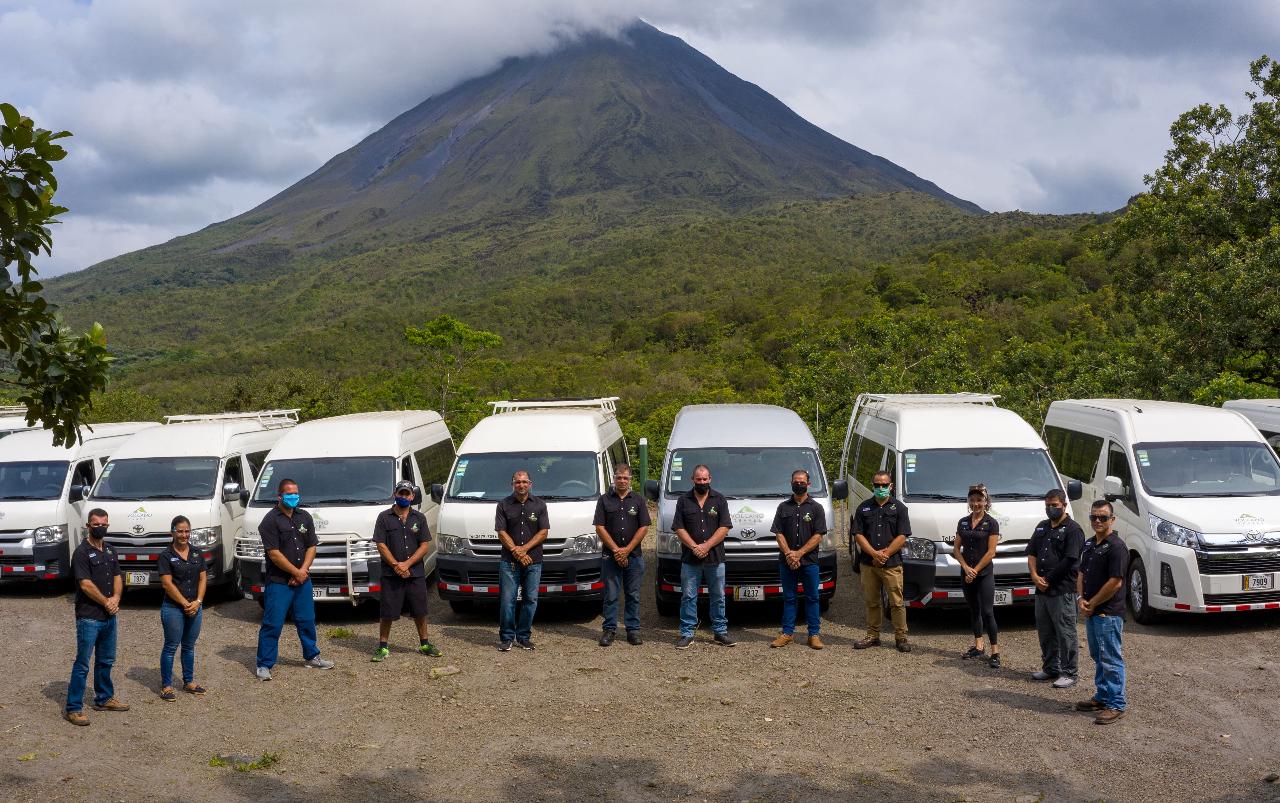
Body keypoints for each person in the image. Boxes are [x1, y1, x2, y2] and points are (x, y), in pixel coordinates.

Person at [254, 478, 334, 680]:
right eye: (289, 494)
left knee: (306, 619)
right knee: (273, 623)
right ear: (279, 496)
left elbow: (311, 546)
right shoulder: (270, 521)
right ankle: (264, 664)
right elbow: (273, 553)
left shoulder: (304, 516)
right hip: (280, 582)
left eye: (296, 493)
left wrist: (303, 571)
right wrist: (294, 572)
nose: (294, 497)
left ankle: (312, 656)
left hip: (302, 580)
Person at [64, 508, 128, 725]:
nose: (100, 527)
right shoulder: (81, 553)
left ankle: (104, 698)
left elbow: (118, 576)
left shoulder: (110, 550)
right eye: (96, 523)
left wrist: (116, 598)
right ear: (88, 526)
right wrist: (106, 602)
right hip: (89, 617)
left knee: (106, 660)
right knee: (83, 663)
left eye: (104, 524)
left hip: (109, 616)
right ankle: (73, 707)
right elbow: (85, 584)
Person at [370, 481, 442, 662]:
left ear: (412, 496)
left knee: (420, 610)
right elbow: (381, 544)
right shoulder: (384, 517)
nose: (403, 497)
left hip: (415, 574)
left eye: (407, 494)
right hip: (390, 574)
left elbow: (424, 545)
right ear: (395, 494)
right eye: (400, 493)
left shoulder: (419, 518)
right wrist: (396, 566)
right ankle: (383, 647)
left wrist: (407, 564)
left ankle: (425, 643)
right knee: (387, 612)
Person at [1076, 500, 1129, 724]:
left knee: (1111, 658)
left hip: (1108, 613)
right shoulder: (1089, 545)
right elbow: (1081, 574)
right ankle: (1102, 696)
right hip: (1092, 611)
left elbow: (1115, 582)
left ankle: (1116, 704)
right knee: (1098, 656)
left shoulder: (1117, 547)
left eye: (1103, 517)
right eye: (1094, 517)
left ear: (1112, 520)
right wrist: (1081, 599)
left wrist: (1094, 603)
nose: (1098, 521)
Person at [1026, 488, 1086, 688]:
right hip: (1042, 590)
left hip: (1062, 590)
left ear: (1064, 505)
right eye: (1048, 505)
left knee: (1066, 633)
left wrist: (1048, 578)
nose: (1051, 509)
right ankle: (1050, 667)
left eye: (1055, 506)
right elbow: (1032, 553)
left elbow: (1070, 560)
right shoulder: (1042, 527)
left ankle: (1069, 672)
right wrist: (1035, 576)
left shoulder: (1073, 529)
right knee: (1045, 632)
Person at [672, 464, 735, 649]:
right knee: (688, 596)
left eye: (704, 479)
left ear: (710, 479)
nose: (702, 482)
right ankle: (687, 633)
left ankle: (720, 632)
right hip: (690, 559)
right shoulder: (683, 500)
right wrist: (694, 547)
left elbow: (724, 527)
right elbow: (678, 528)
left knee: (718, 596)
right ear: (692, 479)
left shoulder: (719, 500)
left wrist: (706, 546)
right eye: (698, 479)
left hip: (715, 558)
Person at [852, 470, 912, 652]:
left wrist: (884, 554)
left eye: (884, 485)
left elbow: (903, 536)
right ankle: (873, 635)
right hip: (868, 564)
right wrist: (873, 554)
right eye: (877, 485)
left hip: (892, 564)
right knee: (872, 601)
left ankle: (901, 638)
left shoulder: (900, 508)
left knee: (896, 602)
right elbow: (858, 535)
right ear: (873, 485)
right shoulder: (863, 508)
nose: (880, 488)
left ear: (890, 486)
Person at [593, 463, 650, 646]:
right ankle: (609, 630)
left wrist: (627, 550)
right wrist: (617, 550)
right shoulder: (604, 500)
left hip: (634, 556)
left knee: (633, 595)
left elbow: (644, 527)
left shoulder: (639, 500)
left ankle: (632, 630)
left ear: (630, 480)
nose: (622, 481)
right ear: (614, 479)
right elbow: (599, 527)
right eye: (619, 477)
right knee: (611, 595)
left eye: (625, 478)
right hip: (611, 557)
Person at [770, 469, 827, 649]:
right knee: (789, 598)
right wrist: (789, 554)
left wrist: (799, 553)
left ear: (808, 484)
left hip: (809, 562)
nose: (799, 484)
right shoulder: (783, 507)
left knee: (812, 598)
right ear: (791, 483)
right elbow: (778, 533)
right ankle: (787, 633)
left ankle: (814, 635)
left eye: (802, 482)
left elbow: (819, 535)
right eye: (796, 481)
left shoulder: (816, 508)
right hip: (787, 562)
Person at [495, 470, 549, 652]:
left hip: (533, 561)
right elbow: (501, 532)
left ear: (530, 484)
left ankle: (524, 637)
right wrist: (516, 551)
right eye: (518, 482)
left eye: (525, 482)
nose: (521, 485)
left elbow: (543, 532)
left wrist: (524, 549)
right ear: (512, 484)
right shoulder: (503, 505)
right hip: (509, 561)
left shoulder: (540, 505)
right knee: (507, 600)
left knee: (530, 599)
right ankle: (507, 637)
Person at [157, 515, 207, 701]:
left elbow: (203, 578)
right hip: (174, 608)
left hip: (195, 606)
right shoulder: (166, 556)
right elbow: (167, 584)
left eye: (187, 531)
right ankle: (167, 686)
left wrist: (198, 601)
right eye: (180, 531)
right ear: (172, 532)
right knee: (171, 646)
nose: (184, 535)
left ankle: (189, 681)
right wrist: (185, 604)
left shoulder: (196, 553)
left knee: (189, 646)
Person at [955, 484, 1001, 668]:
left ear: (985, 502)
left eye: (979, 500)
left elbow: (991, 552)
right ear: (969, 501)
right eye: (972, 500)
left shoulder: (991, 523)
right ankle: (978, 646)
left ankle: (995, 652)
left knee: (987, 611)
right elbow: (956, 549)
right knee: (974, 609)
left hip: (984, 574)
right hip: (966, 572)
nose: (976, 503)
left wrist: (975, 570)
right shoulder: (963, 522)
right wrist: (966, 568)